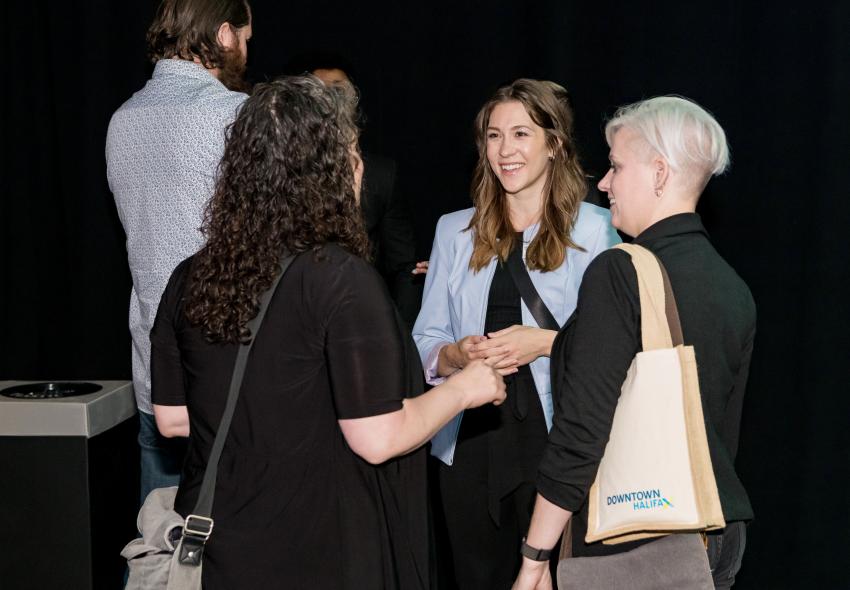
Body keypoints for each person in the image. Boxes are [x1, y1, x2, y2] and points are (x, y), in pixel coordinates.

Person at [149, 76, 506, 589]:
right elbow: (378, 436)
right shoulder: (339, 279)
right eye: (352, 151)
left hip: (219, 552)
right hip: (317, 553)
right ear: (330, 170)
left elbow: (174, 420)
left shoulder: (192, 275)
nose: (360, 166)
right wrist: (464, 388)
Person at [513, 96, 755, 590]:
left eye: (616, 167)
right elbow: (718, 435)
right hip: (719, 534)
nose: (602, 184)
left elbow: (581, 431)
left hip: (639, 542)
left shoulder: (619, 271)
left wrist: (535, 556)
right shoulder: (733, 287)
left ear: (660, 173)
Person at [413, 78, 620, 589]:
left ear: (553, 144)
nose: (505, 150)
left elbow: (615, 346)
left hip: (556, 441)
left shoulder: (595, 230)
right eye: (493, 135)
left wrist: (546, 343)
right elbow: (423, 341)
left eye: (521, 134)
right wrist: (455, 354)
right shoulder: (452, 231)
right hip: (468, 443)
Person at [105, 0, 252, 505]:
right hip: (231, 370)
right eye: (246, 39)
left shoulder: (121, 120)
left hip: (153, 364)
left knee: (159, 543)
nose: (246, 51)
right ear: (225, 35)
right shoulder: (235, 114)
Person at [292, 53, 428, 328]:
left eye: (338, 91)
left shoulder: (380, 175)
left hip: (360, 315)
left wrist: (399, 335)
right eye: (319, 90)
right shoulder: (285, 170)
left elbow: (405, 267)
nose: (330, 99)